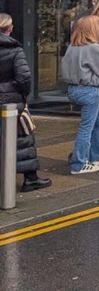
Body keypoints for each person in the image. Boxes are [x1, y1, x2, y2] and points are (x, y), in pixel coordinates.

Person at [0, 13, 50, 192]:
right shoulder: (14, 49)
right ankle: (30, 178)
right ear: (9, 28)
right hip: (11, 100)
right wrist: (22, 94)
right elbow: (24, 78)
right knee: (24, 137)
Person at [59, 15, 99, 175]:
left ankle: (96, 156)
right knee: (86, 128)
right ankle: (78, 164)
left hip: (73, 90)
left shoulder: (72, 46)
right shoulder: (93, 48)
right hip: (89, 91)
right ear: (92, 29)